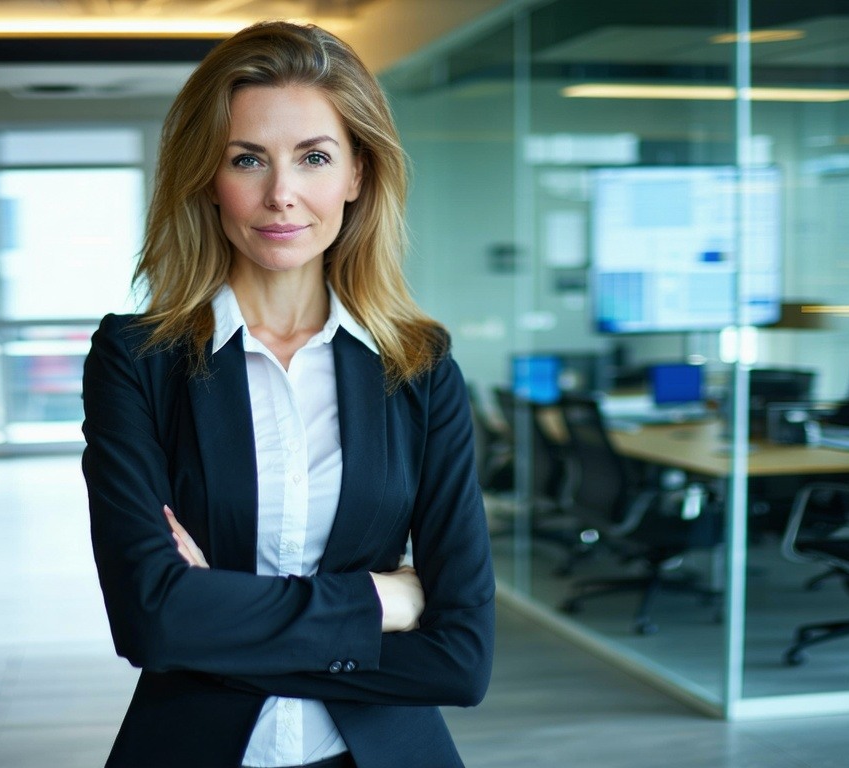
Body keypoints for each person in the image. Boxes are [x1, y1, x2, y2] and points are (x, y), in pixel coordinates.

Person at [82, 20, 495, 768]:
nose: (281, 195)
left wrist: (213, 620)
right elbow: (151, 621)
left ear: (357, 174)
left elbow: (460, 659)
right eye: (247, 159)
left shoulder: (420, 367)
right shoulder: (136, 361)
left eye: (314, 157)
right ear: (207, 179)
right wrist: (385, 601)